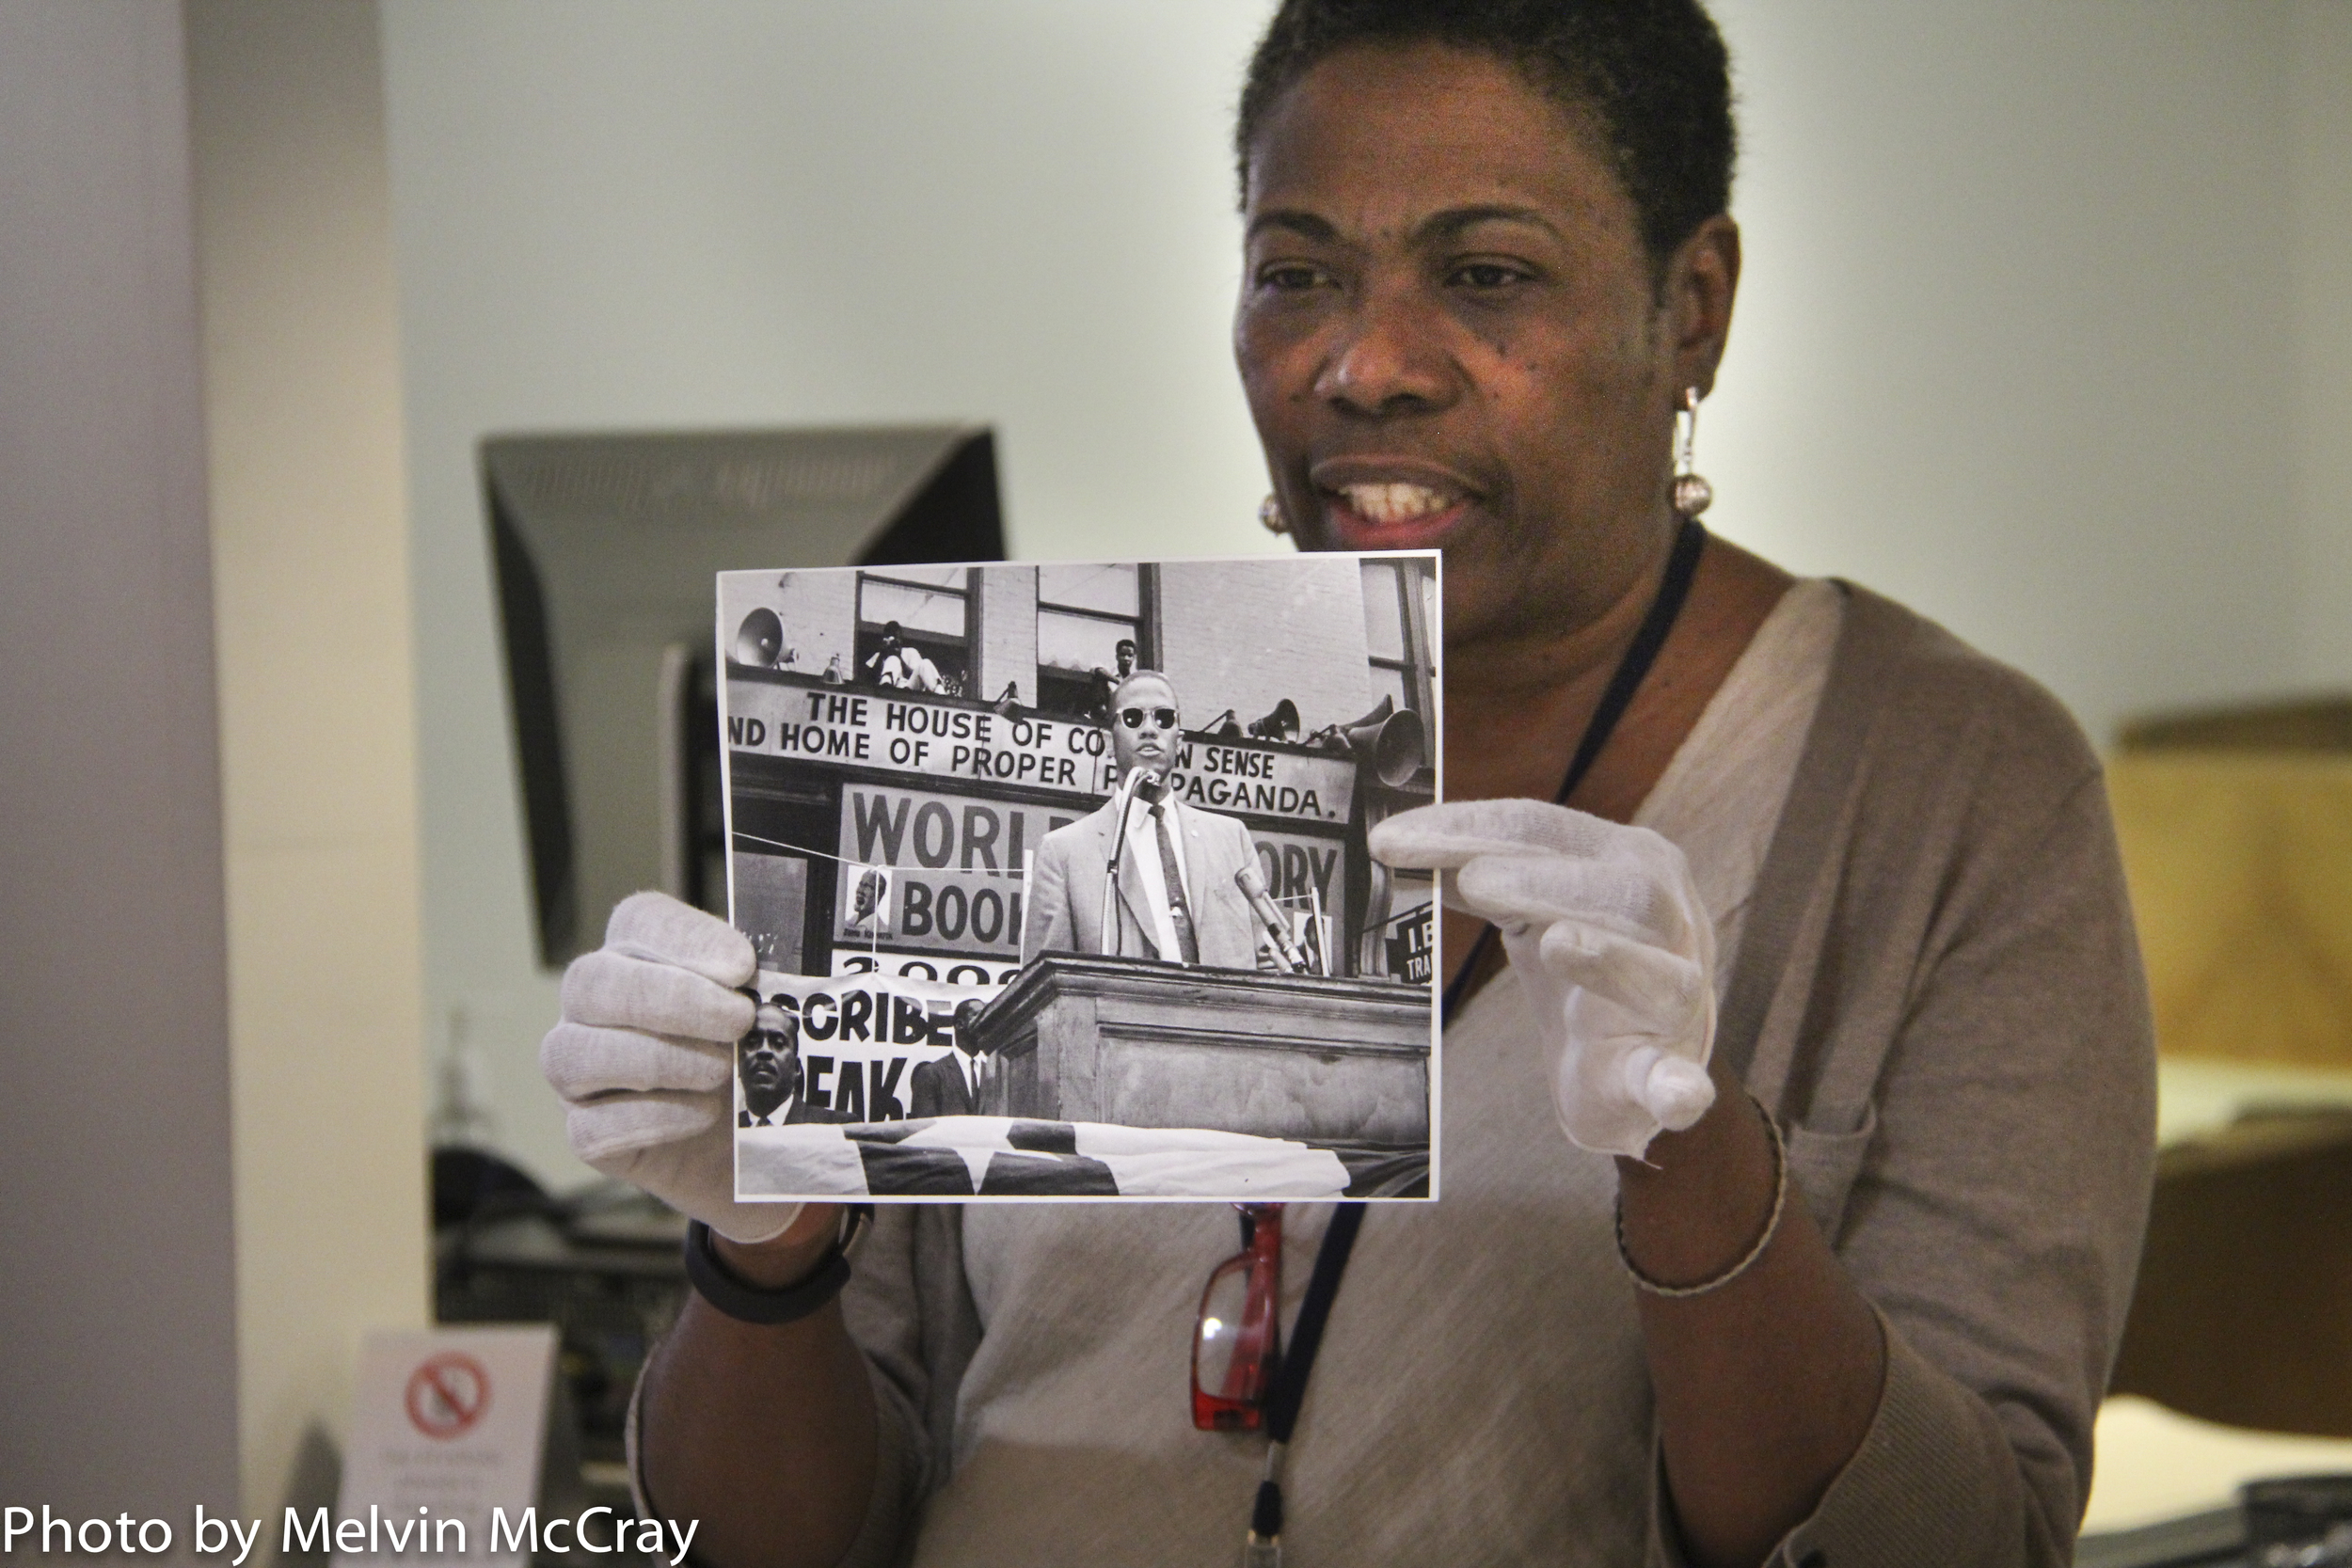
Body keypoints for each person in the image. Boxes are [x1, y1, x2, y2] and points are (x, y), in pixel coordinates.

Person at [539, 5, 2155, 1565]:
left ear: (1695, 310)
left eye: (1487, 274)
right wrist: (761, 1248)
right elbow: (769, 1538)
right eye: (1297, 272)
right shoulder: (1080, 718)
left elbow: (1973, 1540)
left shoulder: (1954, 786)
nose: (1365, 363)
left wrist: (1697, 1165)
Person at [1023, 669, 1267, 970]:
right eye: (1133, 718)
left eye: (1163, 718)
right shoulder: (1063, 853)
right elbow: (1043, 994)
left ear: (1179, 741)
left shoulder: (1232, 839)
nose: (1150, 729)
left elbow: (1267, 963)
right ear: (1109, 742)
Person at [734, 1002, 847, 1129]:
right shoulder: (725, 1130)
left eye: (778, 1043)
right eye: (753, 1043)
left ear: (796, 1068)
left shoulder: (838, 1126)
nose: (764, 1051)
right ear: (738, 1064)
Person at [907, 1001, 989, 1119]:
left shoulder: (994, 1075)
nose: (985, 1023)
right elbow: (925, 1130)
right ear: (959, 1024)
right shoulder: (931, 1074)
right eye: (978, 1016)